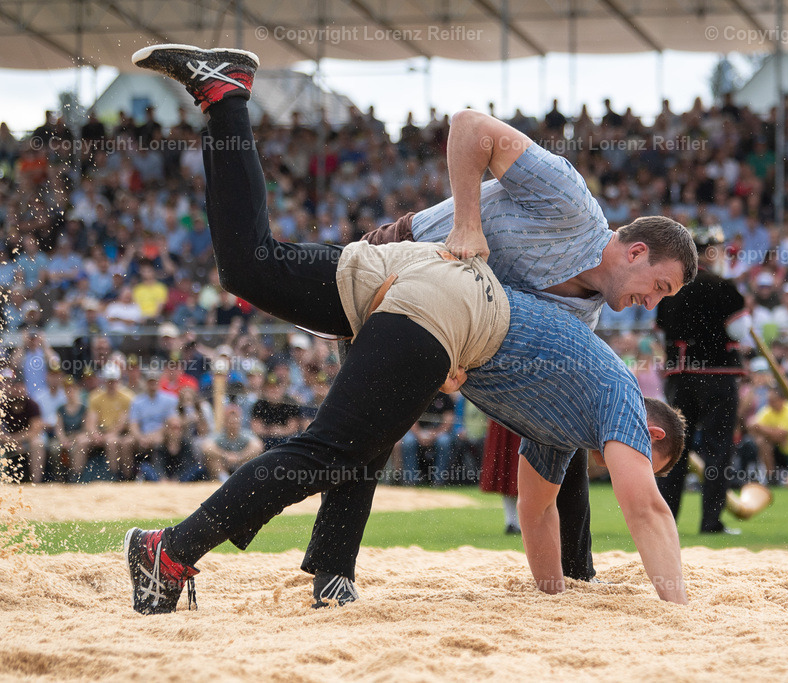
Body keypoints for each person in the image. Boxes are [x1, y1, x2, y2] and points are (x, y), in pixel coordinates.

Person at [124, 44, 689, 615]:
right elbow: (469, 126)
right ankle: (178, 551)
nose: (649, 304)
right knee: (343, 440)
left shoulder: (583, 327)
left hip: (432, 306)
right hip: (410, 265)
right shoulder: (573, 206)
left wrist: (457, 367)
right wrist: (467, 223)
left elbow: (538, 479)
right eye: (659, 287)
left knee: (340, 408)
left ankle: (225, 96)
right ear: (636, 251)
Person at [655, 225, 751, 534]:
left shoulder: (671, 288)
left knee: (675, 450)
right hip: (717, 375)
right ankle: (711, 521)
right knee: (718, 449)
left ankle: (666, 520)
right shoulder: (724, 287)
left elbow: (661, 331)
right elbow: (740, 331)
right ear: (712, 252)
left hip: (680, 377)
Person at [201, 404, 263, 483]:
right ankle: (223, 479)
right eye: (230, 421)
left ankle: (242, 479)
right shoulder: (219, 435)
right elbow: (206, 447)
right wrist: (225, 455)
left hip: (241, 463)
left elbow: (258, 446)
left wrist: (239, 457)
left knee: (250, 459)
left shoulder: (245, 434)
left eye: (235, 420)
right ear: (225, 422)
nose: (233, 423)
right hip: (223, 465)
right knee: (212, 459)